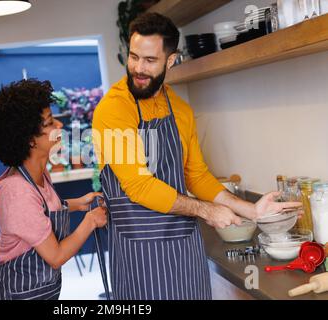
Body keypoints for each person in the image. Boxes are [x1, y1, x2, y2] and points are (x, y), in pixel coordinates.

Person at [92, 12, 301, 300]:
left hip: (185, 249)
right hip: (139, 255)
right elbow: (139, 186)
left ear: (171, 60)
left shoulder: (180, 109)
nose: (138, 68)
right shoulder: (113, 109)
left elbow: (197, 175)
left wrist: (250, 210)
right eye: (134, 57)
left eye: (150, 60)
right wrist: (206, 210)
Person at [0, 78, 107, 300]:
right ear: (30, 140)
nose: (59, 125)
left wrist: (78, 203)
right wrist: (91, 221)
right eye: (49, 123)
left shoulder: (39, 175)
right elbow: (56, 256)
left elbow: (39, 215)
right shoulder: (17, 191)